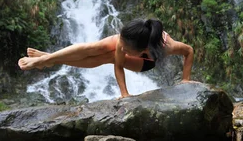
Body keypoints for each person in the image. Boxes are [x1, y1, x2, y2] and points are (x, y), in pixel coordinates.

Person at [17, 18, 194, 98]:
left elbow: (189, 51)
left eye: (125, 47)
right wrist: (124, 93)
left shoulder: (167, 47)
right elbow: (118, 62)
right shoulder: (124, 40)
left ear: (143, 49)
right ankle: (47, 59)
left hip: (147, 63)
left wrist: (186, 80)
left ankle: (50, 59)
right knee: (96, 47)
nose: (120, 47)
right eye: (121, 42)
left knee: (108, 56)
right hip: (137, 48)